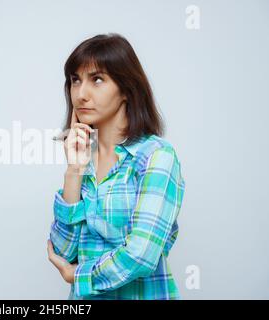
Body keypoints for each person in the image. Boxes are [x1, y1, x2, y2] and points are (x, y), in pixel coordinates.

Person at [47, 33, 186, 300]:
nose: (81, 94)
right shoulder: (83, 158)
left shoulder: (156, 157)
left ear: (126, 89)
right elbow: (62, 253)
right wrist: (73, 172)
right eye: (75, 80)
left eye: (97, 80)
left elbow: (141, 254)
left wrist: (80, 276)